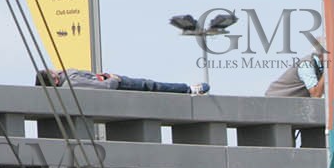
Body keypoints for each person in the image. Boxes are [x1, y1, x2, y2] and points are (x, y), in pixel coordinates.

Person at [37, 68, 208, 95]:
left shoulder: (67, 75)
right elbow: (101, 87)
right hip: (118, 84)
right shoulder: (70, 84)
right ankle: (188, 89)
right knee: (150, 86)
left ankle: (188, 88)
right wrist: (113, 79)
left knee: (150, 84)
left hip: (111, 78)